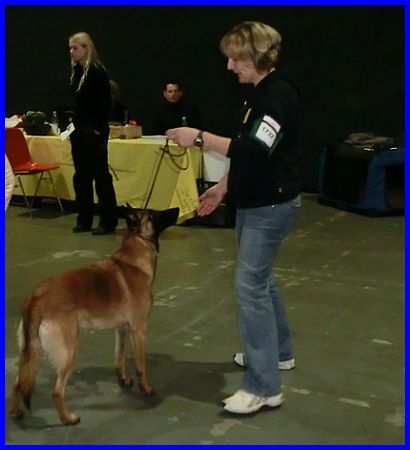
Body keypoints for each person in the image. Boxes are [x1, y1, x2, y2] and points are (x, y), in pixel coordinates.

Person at [166, 21, 301, 415]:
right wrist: (223, 187)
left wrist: (199, 137)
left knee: (250, 288)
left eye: (235, 58)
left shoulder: (276, 96)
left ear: (255, 56)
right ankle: (279, 354)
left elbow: (255, 150)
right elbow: (248, 152)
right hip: (254, 201)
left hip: (269, 207)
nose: (229, 66)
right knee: (261, 281)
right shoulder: (258, 93)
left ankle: (263, 387)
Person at [68, 32, 118, 235]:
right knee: (81, 176)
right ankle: (84, 218)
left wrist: (96, 129)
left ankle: (108, 220)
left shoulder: (97, 71)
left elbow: (104, 104)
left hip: (94, 130)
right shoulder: (77, 71)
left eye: (75, 48)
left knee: (100, 175)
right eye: (70, 48)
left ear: (86, 49)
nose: (72, 52)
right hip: (79, 130)